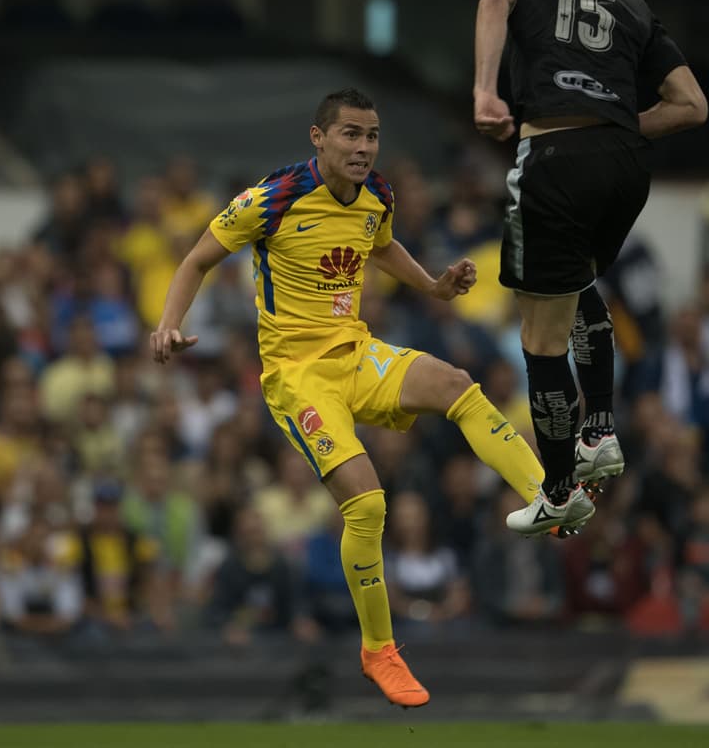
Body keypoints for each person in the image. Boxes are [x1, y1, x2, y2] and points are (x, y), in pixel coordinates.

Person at [151, 87, 553, 707]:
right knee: (366, 502)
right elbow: (197, 259)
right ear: (319, 137)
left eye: (371, 136)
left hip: (356, 353)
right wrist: (168, 323)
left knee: (455, 385)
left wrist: (435, 289)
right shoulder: (273, 198)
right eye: (351, 134)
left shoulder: (378, 198)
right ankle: (379, 649)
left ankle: (543, 496)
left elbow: (382, 244)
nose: (364, 147)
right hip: (298, 376)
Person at [473, 0, 707, 532]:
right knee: (577, 286)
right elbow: (691, 106)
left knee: (541, 340)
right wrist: (617, 126)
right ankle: (598, 430)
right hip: (627, 170)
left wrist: (484, 90)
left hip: (555, 161)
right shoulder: (634, 7)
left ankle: (557, 491)